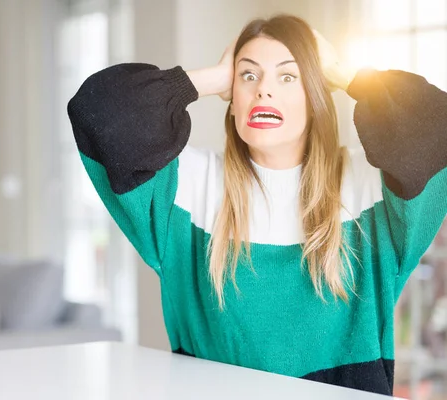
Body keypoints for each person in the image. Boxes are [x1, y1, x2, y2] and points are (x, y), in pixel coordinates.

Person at [67, 14, 447, 396]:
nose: (264, 90)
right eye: (248, 75)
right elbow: (98, 108)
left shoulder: (372, 188)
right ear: (232, 102)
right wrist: (211, 77)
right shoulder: (187, 187)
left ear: (315, 98)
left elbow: (434, 125)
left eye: (288, 76)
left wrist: (347, 76)